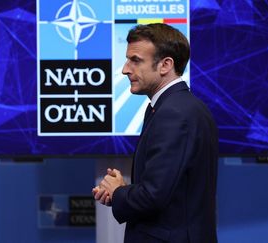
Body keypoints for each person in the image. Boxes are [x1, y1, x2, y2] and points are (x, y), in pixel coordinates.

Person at [92, 23, 219, 242]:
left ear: (165, 65)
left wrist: (118, 192)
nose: (125, 69)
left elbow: (153, 197)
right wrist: (124, 190)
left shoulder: (174, 113)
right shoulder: (177, 107)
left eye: (136, 60)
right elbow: (170, 190)